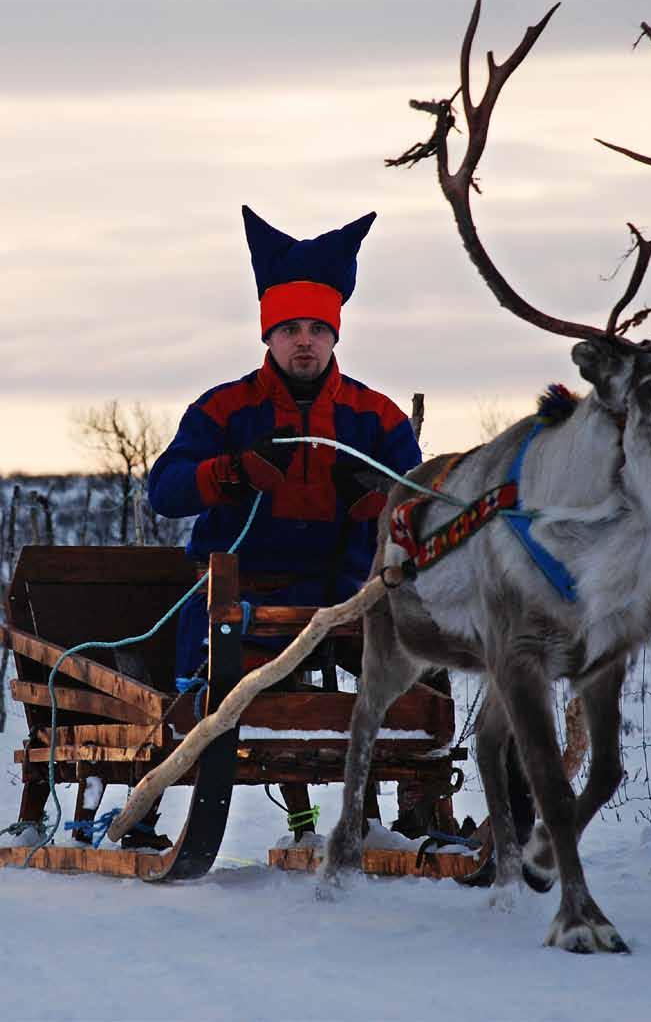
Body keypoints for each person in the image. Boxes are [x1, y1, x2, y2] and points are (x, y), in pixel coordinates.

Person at [144, 206, 422, 848]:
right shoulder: (222, 408)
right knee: (204, 653)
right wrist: (231, 471)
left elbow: (422, 506)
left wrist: (377, 505)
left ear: (334, 336)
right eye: (290, 329)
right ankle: (164, 787)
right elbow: (166, 490)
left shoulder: (374, 417)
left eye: (317, 329)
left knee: (424, 640)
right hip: (235, 598)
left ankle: (412, 797)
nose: (304, 341)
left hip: (349, 595)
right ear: (268, 336)